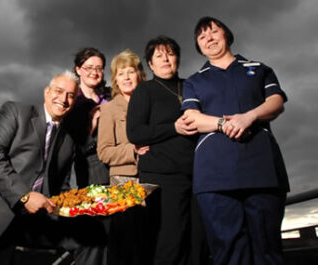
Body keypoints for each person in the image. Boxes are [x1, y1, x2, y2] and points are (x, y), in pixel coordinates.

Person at [0, 70, 106, 265]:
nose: (64, 99)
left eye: (71, 95)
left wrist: (78, 205)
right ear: (46, 92)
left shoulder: (69, 140)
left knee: (94, 237)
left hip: (34, 217)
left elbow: (61, 185)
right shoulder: (16, 112)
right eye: (59, 91)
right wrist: (24, 196)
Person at [177, 16, 290, 265]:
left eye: (214, 32)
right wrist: (225, 124)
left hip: (261, 170)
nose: (209, 39)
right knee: (227, 251)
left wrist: (249, 117)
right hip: (215, 175)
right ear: (198, 45)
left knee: (268, 249)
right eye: (202, 36)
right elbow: (192, 117)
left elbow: (276, 102)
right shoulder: (195, 81)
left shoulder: (259, 69)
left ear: (226, 35)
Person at [126, 36, 200, 265]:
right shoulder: (144, 91)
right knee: (170, 243)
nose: (166, 59)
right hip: (163, 177)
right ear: (150, 64)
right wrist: (174, 127)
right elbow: (135, 132)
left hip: (198, 175)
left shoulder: (191, 86)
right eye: (159, 55)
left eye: (170, 53)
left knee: (198, 243)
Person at [97, 49, 147, 265]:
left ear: (139, 74)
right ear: (115, 79)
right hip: (124, 181)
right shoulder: (109, 110)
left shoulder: (151, 103)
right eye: (120, 73)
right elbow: (104, 152)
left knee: (149, 242)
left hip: (153, 178)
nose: (126, 77)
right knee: (126, 246)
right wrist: (132, 149)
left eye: (130, 71)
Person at [65, 47, 111, 186]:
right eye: (89, 68)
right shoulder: (71, 104)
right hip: (93, 176)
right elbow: (72, 149)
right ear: (78, 70)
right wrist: (92, 127)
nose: (94, 73)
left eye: (99, 68)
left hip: (120, 171)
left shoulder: (111, 96)